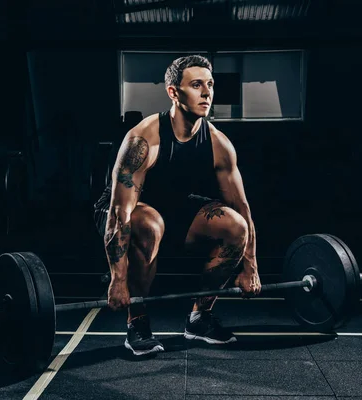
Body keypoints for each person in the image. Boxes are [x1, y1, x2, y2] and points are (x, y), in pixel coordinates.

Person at [93, 55, 261, 356]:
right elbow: (121, 212)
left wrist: (250, 266)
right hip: (123, 211)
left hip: (174, 207)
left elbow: (243, 207)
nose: (207, 93)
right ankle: (138, 323)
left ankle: (199, 317)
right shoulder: (144, 139)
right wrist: (118, 279)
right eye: (196, 85)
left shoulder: (218, 143)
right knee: (150, 223)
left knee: (235, 227)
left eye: (210, 84)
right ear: (173, 92)